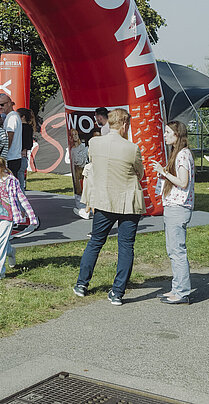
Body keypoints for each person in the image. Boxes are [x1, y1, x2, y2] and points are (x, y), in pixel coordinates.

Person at [73, 108, 144, 305]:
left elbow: (94, 164)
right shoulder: (132, 148)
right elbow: (141, 173)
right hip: (128, 201)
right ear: (124, 125)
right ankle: (118, 292)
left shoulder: (94, 143)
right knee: (126, 246)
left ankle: (81, 284)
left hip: (104, 200)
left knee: (95, 242)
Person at [152, 121, 195, 304]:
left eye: (168, 132)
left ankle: (182, 292)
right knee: (173, 250)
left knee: (177, 251)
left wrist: (164, 172)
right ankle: (177, 288)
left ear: (177, 135)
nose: (165, 134)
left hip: (179, 207)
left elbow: (183, 182)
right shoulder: (178, 154)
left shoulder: (183, 155)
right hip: (175, 207)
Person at [0, 156, 38, 280]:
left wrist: (31, 216)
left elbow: (22, 198)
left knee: (0, 242)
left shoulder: (12, 181)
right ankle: (11, 251)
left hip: (8, 217)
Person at [0, 94, 22, 183]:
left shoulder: (12, 117)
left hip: (11, 157)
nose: (0, 107)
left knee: (9, 186)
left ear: (10, 103)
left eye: (2, 105)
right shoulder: (10, 116)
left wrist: (4, 152)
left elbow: (9, 136)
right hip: (12, 157)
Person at [70, 128, 90, 219]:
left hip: (86, 169)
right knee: (79, 189)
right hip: (78, 170)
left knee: (89, 188)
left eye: (76, 134)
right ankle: (83, 208)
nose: (75, 136)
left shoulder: (84, 147)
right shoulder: (72, 150)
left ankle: (87, 209)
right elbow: (73, 163)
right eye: (73, 135)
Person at [17, 107, 37, 191]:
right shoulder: (29, 128)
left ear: (23, 117)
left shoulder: (21, 128)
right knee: (21, 183)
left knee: (17, 183)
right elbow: (29, 144)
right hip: (24, 156)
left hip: (19, 156)